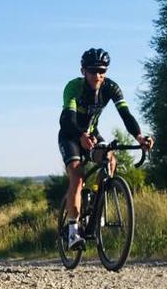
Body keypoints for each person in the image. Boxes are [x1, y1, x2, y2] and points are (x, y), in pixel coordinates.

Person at [58, 48, 153, 248]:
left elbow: (125, 114)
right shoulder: (74, 87)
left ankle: (96, 201)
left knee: (110, 159)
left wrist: (139, 137)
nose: (98, 76)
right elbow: (68, 119)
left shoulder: (111, 88)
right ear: (83, 71)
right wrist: (80, 135)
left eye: (102, 71)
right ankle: (73, 231)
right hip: (71, 134)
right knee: (77, 175)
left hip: (92, 133)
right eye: (93, 71)